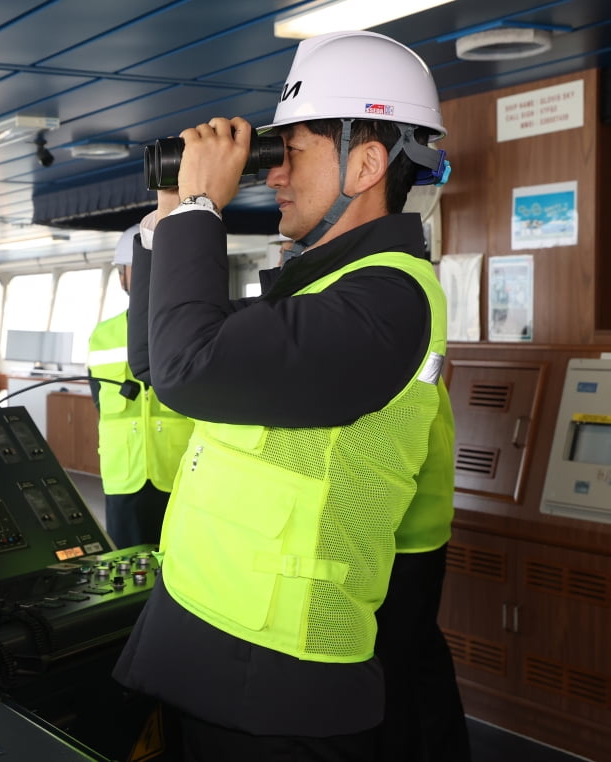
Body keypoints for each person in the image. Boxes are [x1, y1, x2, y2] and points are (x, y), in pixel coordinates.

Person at [112, 30, 467, 761]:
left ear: (366, 163)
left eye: (289, 154)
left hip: (281, 678)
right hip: (212, 646)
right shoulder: (320, 290)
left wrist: (205, 204)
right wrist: (169, 214)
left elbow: (188, 365)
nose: (270, 177)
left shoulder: (390, 300)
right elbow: (157, 363)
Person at [87, 225, 193, 549]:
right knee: (127, 566)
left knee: (177, 567)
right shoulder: (101, 335)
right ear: (122, 276)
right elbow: (99, 401)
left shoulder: (191, 329)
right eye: (138, 268)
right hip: (124, 473)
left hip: (179, 471)